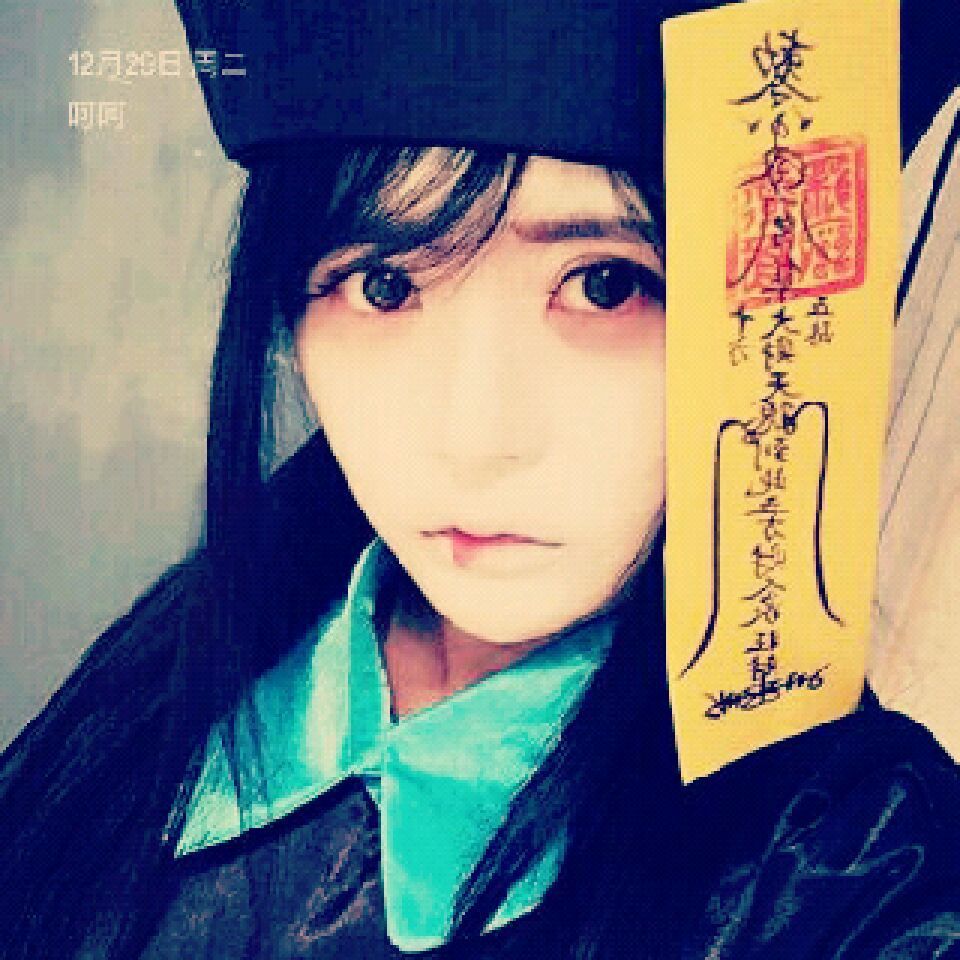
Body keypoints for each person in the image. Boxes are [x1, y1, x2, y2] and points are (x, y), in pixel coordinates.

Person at [1, 1, 958, 958]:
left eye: (607, 284)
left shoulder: (849, 858)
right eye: (383, 284)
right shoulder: (170, 672)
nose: (473, 441)